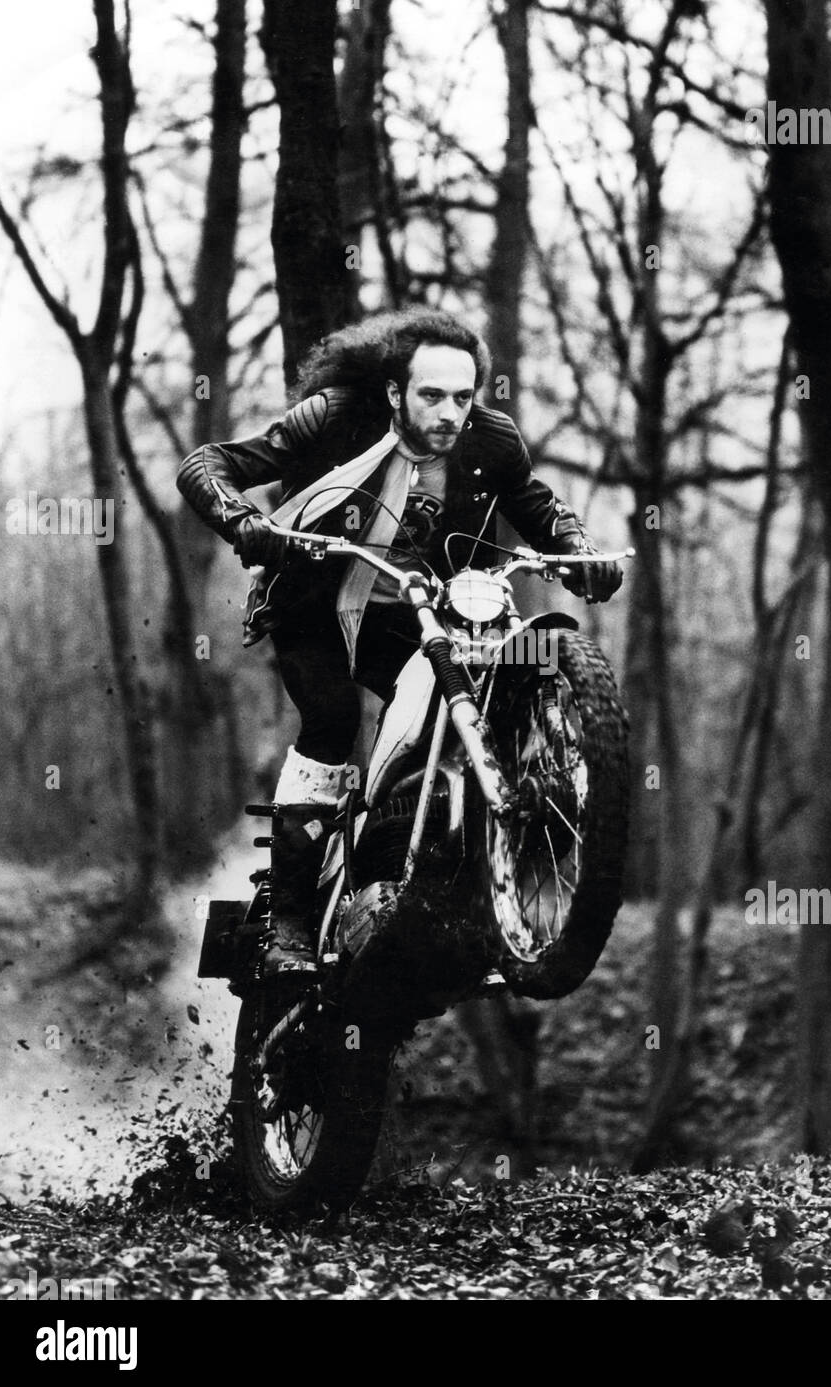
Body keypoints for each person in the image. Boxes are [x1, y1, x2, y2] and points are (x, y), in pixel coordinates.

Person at [177, 307, 621, 978]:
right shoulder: (332, 417)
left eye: (462, 396)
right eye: (431, 395)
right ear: (394, 393)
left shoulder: (491, 442)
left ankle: (447, 891)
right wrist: (246, 522)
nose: (449, 412)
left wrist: (580, 554)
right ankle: (289, 925)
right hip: (316, 608)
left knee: (473, 713)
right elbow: (207, 464)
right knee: (331, 721)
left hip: (416, 620)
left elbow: (534, 504)